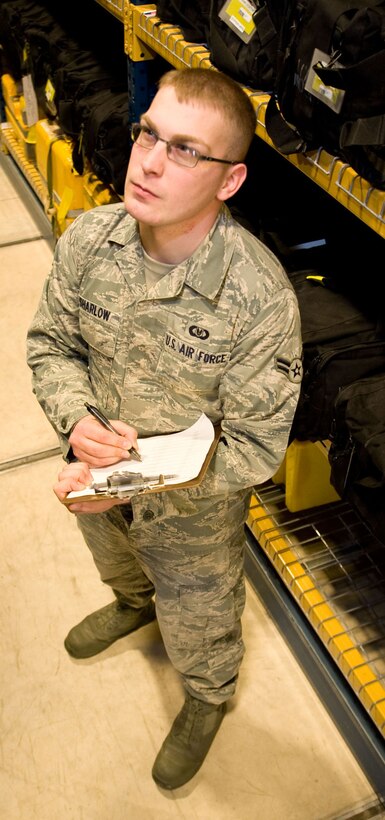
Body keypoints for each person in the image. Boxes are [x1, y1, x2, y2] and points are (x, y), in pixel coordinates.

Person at [26, 67, 302, 790]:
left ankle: (208, 693)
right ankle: (128, 601)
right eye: (148, 131)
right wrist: (78, 422)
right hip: (94, 479)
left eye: (185, 149)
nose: (147, 160)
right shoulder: (91, 240)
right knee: (113, 560)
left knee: (199, 612)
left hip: (191, 518)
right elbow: (52, 346)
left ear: (229, 181)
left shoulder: (258, 299)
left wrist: (124, 478)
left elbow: (253, 447)